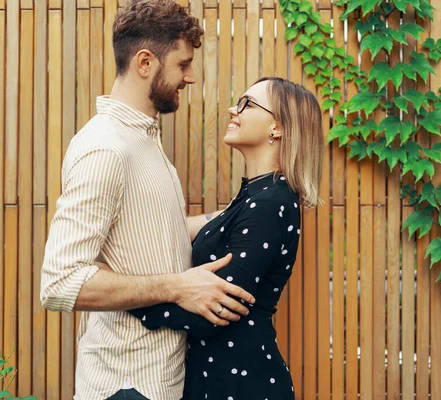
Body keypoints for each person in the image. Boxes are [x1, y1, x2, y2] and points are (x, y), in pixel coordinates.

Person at [39, 1, 254, 399]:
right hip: (126, 386)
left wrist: (241, 213)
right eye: (183, 64)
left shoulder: (142, 140)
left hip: (158, 382)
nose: (190, 77)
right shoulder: (106, 148)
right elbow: (60, 282)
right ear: (145, 63)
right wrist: (177, 288)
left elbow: (155, 232)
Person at [128, 77, 324, 399]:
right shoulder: (253, 198)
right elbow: (182, 227)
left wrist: (126, 300)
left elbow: (218, 310)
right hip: (219, 377)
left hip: (241, 384)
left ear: (278, 128)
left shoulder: (270, 202)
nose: (233, 110)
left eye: (247, 104)